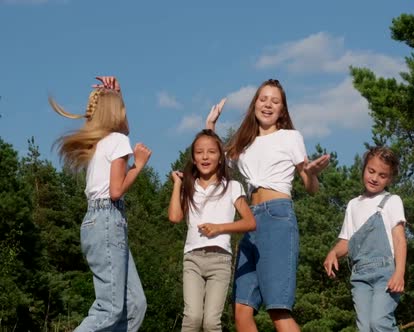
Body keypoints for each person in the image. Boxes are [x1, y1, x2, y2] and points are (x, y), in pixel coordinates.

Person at [206, 79, 330, 332]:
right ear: (254, 105)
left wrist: (312, 173)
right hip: (250, 221)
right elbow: (217, 164)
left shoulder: (290, 137)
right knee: (241, 311)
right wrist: (210, 126)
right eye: (263, 99)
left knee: (277, 308)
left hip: (277, 218)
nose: (268, 105)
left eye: (275, 101)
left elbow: (311, 187)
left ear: (282, 110)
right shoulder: (242, 144)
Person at [50, 76, 150, 331]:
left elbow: (123, 127)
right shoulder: (116, 141)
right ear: (117, 113)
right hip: (108, 219)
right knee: (110, 309)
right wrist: (138, 165)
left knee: (135, 304)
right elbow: (116, 191)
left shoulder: (102, 142)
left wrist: (117, 94)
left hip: (98, 222)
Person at [167, 129, 256, 332]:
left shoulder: (232, 187)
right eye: (199, 152)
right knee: (192, 318)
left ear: (220, 158)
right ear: (193, 157)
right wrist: (177, 185)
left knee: (210, 323)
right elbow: (174, 217)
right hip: (193, 258)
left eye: (211, 152)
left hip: (220, 260)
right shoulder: (189, 187)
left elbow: (250, 222)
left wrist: (219, 228)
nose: (205, 157)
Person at [323, 147, 407, 332]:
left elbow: (399, 239)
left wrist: (399, 272)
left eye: (382, 175)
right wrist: (333, 253)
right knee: (365, 327)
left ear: (390, 179)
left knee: (379, 322)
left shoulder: (392, 201)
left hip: (385, 272)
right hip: (359, 275)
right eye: (371, 171)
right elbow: (347, 241)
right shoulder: (353, 205)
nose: (375, 178)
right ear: (363, 169)